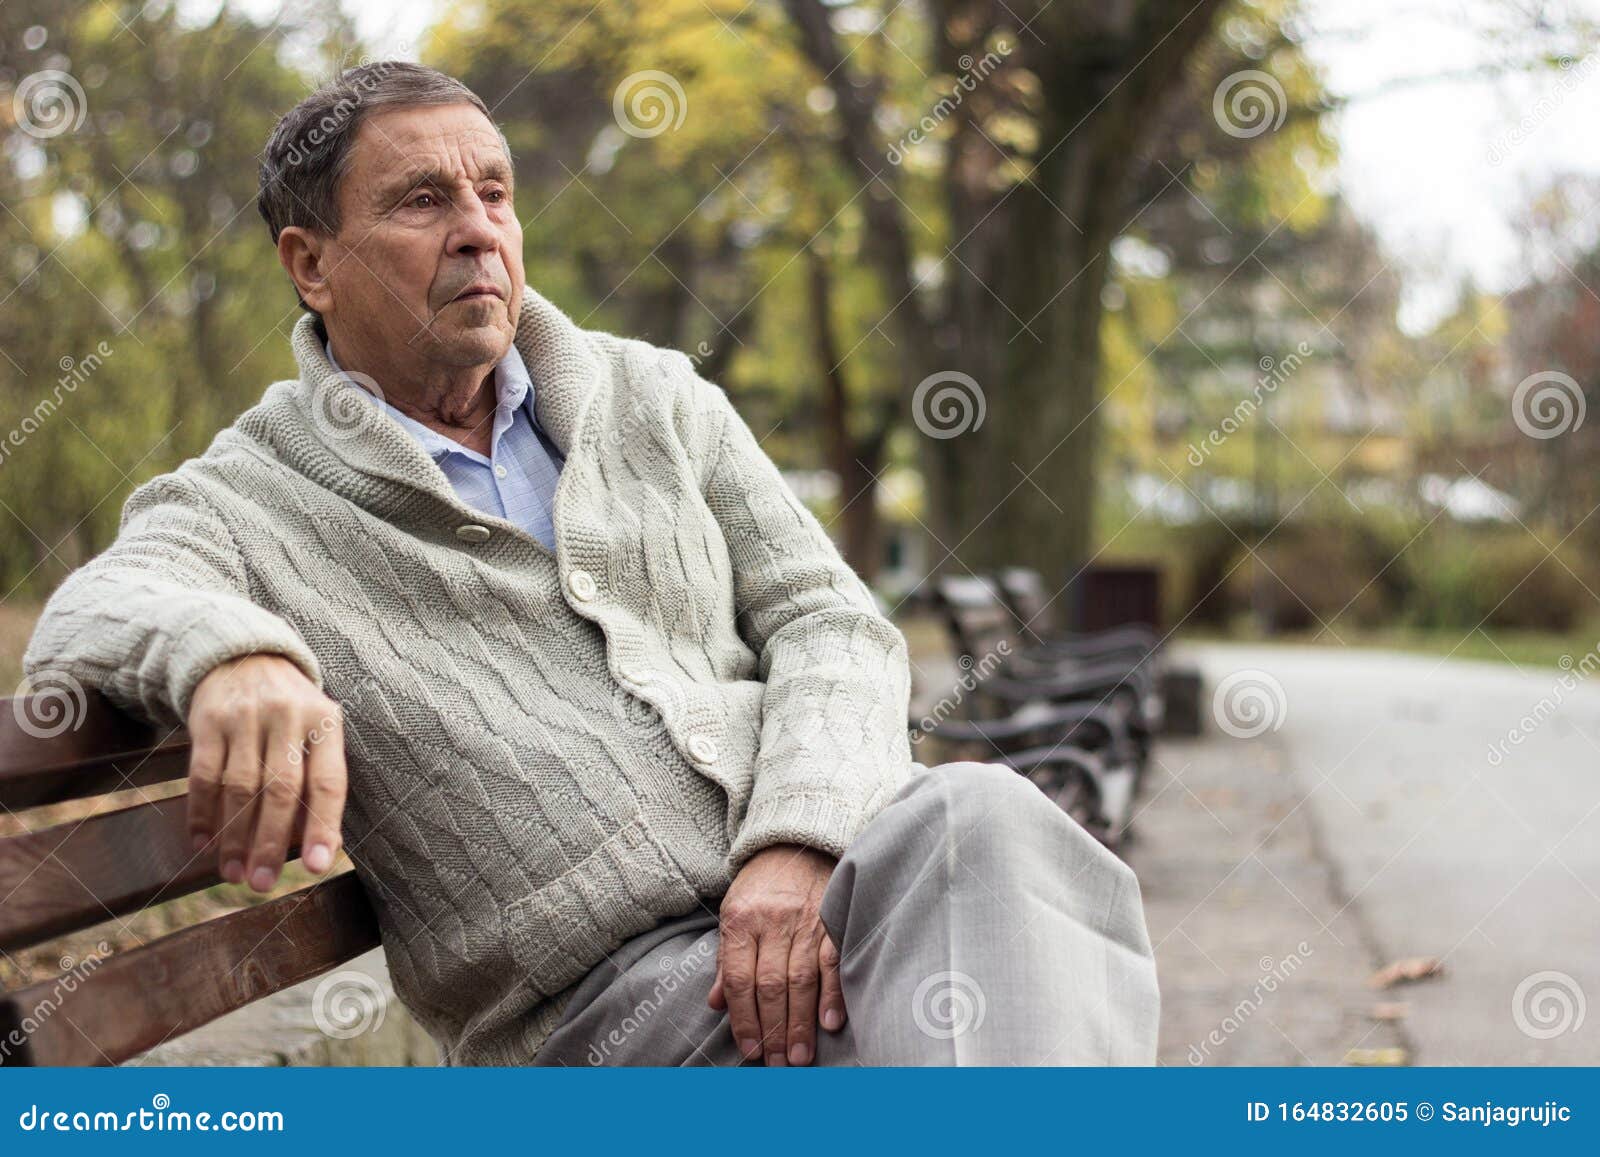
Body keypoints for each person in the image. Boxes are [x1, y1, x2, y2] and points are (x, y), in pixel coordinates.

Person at [22, 62, 1159, 1066]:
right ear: (310, 264)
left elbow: (831, 620)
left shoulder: (652, 395)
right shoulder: (252, 494)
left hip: (834, 898)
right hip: (615, 1018)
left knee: (990, 824)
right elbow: (100, 605)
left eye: (495, 192)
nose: (478, 228)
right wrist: (235, 656)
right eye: (424, 201)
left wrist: (800, 841)